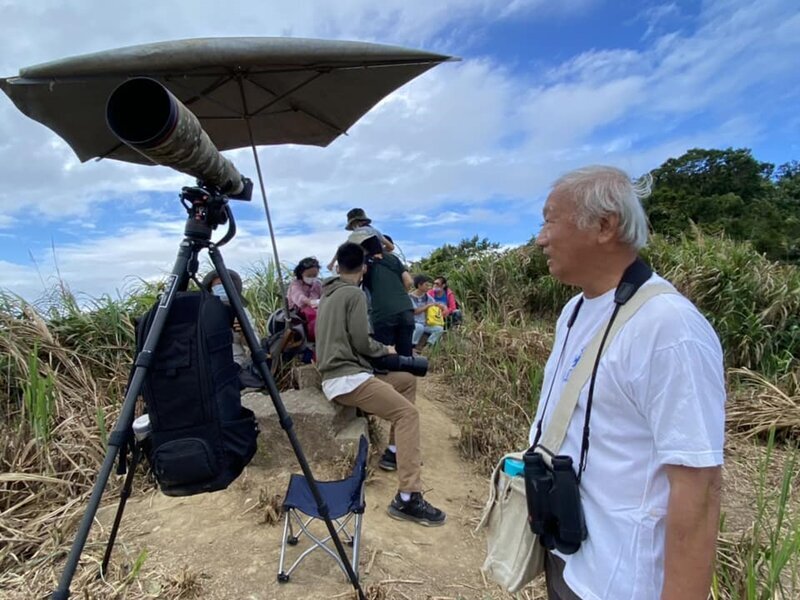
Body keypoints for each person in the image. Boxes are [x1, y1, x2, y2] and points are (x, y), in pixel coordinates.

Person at [528, 165, 725, 600]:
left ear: (604, 226)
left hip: (622, 583)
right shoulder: (575, 311)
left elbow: (700, 486)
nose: (541, 237)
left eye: (549, 219)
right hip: (568, 556)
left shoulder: (669, 328)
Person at [316, 242, 446, 527]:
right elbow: (362, 341)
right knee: (408, 414)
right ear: (364, 268)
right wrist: (384, 350)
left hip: (339, 374)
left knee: (407, 380)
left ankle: (394, 452)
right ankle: (409, 497)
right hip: (347, 377)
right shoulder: (354, 293)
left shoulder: (328, 293)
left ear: (338, 266)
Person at [201, 269, 263, 388]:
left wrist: (244, 333)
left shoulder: (241, 312)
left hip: (235, 363)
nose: (222, 287)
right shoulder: (203, 313)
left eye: (225, 284)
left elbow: (256, 345)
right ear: (210, 290)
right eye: (218, 285)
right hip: (207, 364)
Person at [359, 234, 415, 356]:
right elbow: (409, 281)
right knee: (405, 355)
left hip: (383, 313)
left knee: (384, 355)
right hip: (406, 309)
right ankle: (407, 373)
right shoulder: (393, 259)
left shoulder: (364, 262)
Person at [326, 208, 395, 271]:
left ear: (354, 224)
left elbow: (341, 249)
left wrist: (332, 263)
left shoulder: (354, 236)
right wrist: (379, 252)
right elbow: (391, 247)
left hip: (366, 267)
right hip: (383, 264)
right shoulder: (375, 231)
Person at [287, 257, 322, 341]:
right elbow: (300, 298)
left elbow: (324, 295)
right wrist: (310, 302)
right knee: (311, 313)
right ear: (301, 273)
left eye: (315, 275)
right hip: (298, 314)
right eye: (309, 276)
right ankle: (315, 337)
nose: (312, 278)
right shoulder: (295, 285)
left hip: (317, 310)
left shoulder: (317, 284)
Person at [408, 274, 445, 350]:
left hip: (426, 323)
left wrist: (440, 306)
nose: (428, 287)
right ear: (419, 285)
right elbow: (415, 311)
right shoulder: (410, 297)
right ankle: (412, 346)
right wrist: (428, 306)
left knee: (439, 329)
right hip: (414, 323)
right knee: (419, 327)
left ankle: (428, 346)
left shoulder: (427, 296)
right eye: (426, 285)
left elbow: (434, 304)